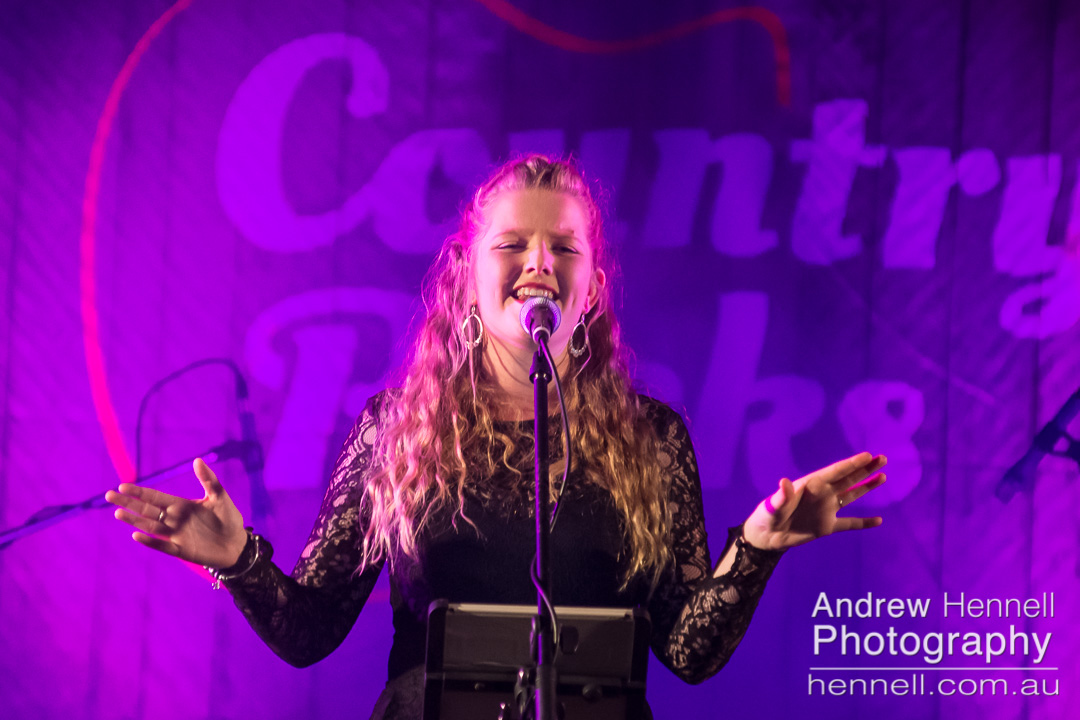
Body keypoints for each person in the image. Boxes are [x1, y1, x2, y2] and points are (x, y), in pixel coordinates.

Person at [105, 155, 887, 719]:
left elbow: (688, 653)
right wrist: (240, 560)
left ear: (593, 289)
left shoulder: (653, 437)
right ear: (466, 278)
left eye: (564, 247)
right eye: (512, 244)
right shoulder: (396, 430)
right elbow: (309, 628)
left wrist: (757, 548)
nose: (539, 262)